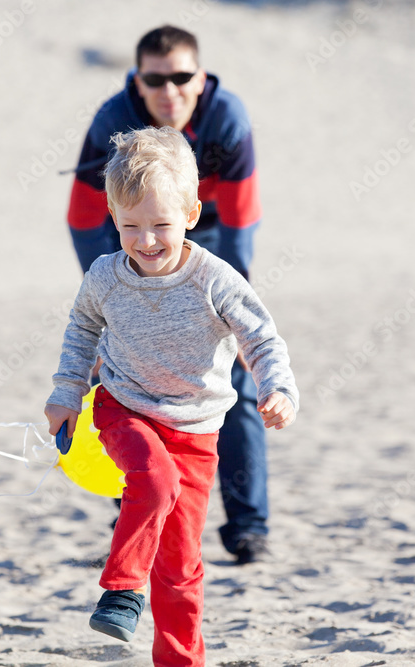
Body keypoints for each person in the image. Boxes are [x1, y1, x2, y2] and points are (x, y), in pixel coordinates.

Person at [46, 127, 298, 666]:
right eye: (130, 226)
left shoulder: (215, 279)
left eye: (160, 224)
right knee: (152, 482)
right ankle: (121, 590)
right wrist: (67, 393)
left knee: (182, 566)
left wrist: (278, 387)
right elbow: (81, 330)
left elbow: (261, 336)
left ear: (190, 213)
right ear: (113, 217)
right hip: (124, 407)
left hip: (195, 430)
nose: (146, 241)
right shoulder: (105, 276)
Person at [66, 25, 272, 563]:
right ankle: (133, 514)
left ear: (200, 79)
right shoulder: (113, 122)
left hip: (206, 237)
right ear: (138, 80)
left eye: (182, 78)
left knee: (237, 383)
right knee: (125, 379)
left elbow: (243, 220)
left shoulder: (227, 118)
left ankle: (248, 527)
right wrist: (118, 295)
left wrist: (236, 316)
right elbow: (84, 216)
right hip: (133, 237)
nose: (170, 91)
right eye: (156, 80)